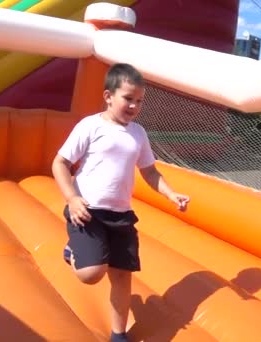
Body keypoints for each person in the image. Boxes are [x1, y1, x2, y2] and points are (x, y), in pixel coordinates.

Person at [51, 63, 190, 342]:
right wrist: (72, 198)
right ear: (108, 96)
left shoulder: (138, 133)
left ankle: (118, 334)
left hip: (121, 215)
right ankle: (73, 249)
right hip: (87, 211)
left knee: (122, 277)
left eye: (139, 101)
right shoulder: (90, 126)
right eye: (128, 98)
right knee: (91, 274)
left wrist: (171, 193)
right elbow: (60, 163)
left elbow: (149, 171)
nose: (134, 106)